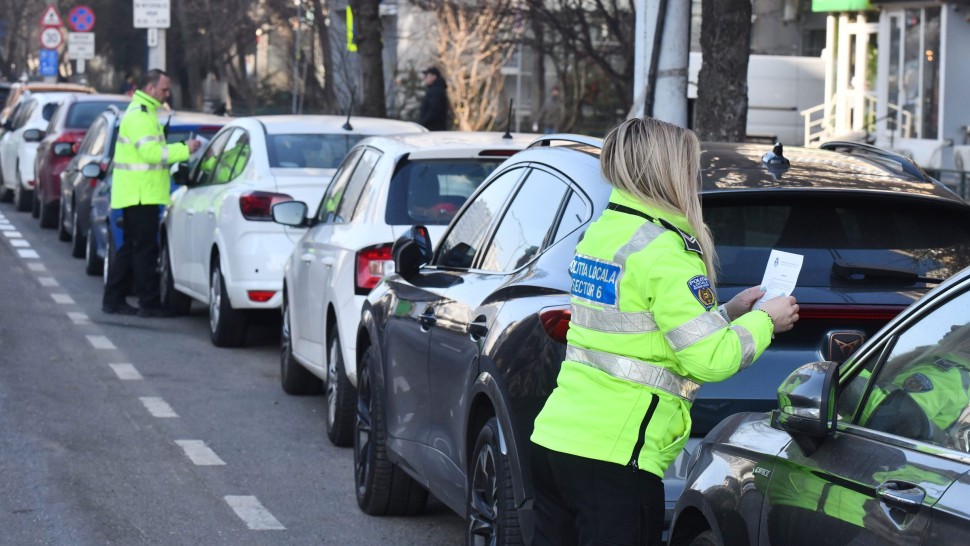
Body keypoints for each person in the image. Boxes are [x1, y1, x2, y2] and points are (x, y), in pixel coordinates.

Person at [529, 117, 800, 546]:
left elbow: (639, 331)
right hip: (614, 457)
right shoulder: (666, 251)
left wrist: (728, 313)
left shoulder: (606, 233)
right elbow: (710, 359)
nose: (694, 178)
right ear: (667, 171)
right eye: (689, 167)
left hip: (557, 440)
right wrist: (767, 320)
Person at [102, 69, 201, 317]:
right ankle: (148, 303)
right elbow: (153, 154)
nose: (167, 93)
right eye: (164, 89)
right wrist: (184, 149)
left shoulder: (146, 113)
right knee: (144, 250)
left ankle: (114, 298)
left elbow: (152, 151)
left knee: (132, 248)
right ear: (150, 89)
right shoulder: (139, 116)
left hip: (139, 193)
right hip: (139, 194)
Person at [418, 67, 450, 131]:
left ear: (433, 76)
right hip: (435, 128)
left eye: (427, 76)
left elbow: (434, 110)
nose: (425, 78)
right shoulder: (437, 89)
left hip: (432, 129)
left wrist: (423, 123)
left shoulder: (435, 91)